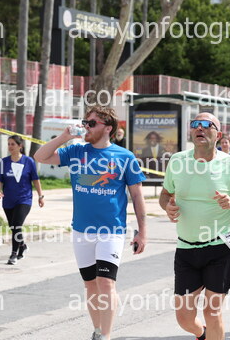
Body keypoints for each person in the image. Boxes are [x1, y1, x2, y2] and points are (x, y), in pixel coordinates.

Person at [34, 106, 147, 340]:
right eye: (86, 122)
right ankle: (97, 331)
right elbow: (40, 157)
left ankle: (106, 335)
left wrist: (142, 233)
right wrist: (64, 137)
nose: (86, 127)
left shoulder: (125, 157)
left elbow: (137, 196)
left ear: (108, 128)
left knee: (105, 282)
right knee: (90, 285)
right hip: (81, 230)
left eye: (92, 123)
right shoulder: (76, 151)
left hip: (111, 231)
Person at [159, 113, 230, 340]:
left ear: (218, 135)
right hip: (186, 248)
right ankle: (201, 334)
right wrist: (167, 207)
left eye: (206, 125)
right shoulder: (178, 161)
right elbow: (165, 194)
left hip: (219, 247)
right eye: (195, 124)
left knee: (212, 312)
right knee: (184, 317)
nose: (199, 128)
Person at [0, 135, 44, 265]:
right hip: (8, 200)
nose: (10, 146)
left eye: (13, 144)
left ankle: (14, 254)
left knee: (17, 225)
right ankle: (22, 246)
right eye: (9, 144)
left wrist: (40, 196)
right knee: (13, 227)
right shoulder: (3, 162)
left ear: (20, 146)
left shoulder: (28, 161)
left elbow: (35, 179)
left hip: (24, 199)